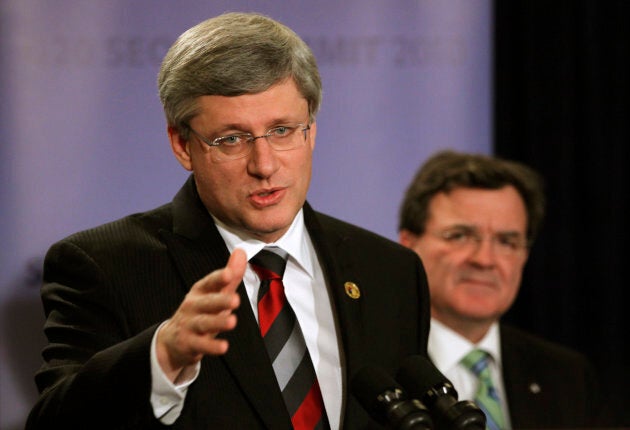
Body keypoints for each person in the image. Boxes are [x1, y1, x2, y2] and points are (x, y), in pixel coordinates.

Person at [26, 12, 431, 430]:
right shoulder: (105, 266)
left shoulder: (391, 272)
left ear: (311, 130)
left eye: (282, 130)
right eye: (231, 139)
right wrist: (161, 357)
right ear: (183, 146)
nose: (264, 164)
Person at [398, 150, 610, 429]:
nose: (484, 260)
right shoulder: (376, 367)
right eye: (460, 236)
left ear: (525, 255)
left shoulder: (567, 375)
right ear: (408, 245)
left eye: (506, 242)